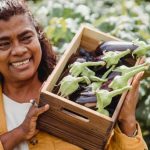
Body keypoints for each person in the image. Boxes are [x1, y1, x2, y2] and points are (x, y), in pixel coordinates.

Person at [0, 0, 148, 150]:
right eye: (4, 43)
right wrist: (21, 132)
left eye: (26, 38)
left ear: (38, 37)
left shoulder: (83, 97)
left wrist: (127, 121)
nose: (18, 50)